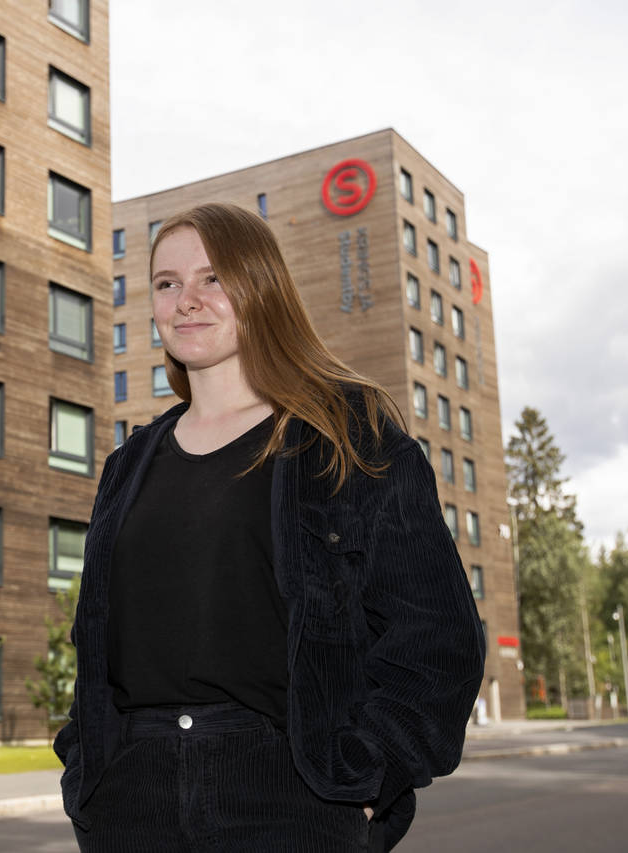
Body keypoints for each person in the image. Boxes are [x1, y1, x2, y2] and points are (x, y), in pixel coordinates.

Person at [54, 202, 485, 852]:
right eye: (167, 283)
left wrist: (365, 778)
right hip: (131, 801)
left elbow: (438, 637)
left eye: (212, 279)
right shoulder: (127, 466)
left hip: (288, 793)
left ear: (261, 289)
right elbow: (94, 647)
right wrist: (87, 772)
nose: (186, 300)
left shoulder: (346, 435)